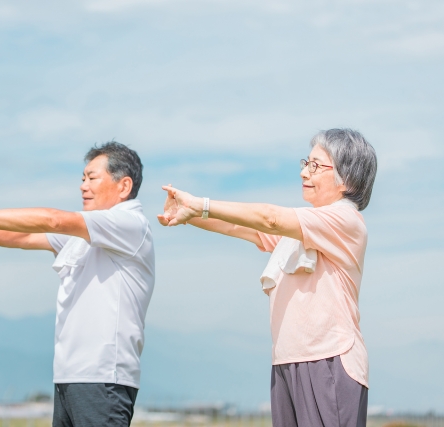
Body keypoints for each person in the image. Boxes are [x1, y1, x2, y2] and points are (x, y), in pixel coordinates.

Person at [158, 129, 377, 427]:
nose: (304, 172)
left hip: (329, 361)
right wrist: (191, 214)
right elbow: (243, 228)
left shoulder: (345, 220)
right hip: (286, 362)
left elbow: (269, 218)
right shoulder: (304, 226)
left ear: (347, 179)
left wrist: (202, 204)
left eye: (316, 166)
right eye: (305, 162)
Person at [0, 142, 155, 427]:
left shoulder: (129, 223)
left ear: (123, 186)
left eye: (92, 178)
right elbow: (24, 237)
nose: (83, 186)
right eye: (82, 179)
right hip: (69, 377)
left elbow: (53, 220)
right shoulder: (85, 232)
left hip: (103, 378)